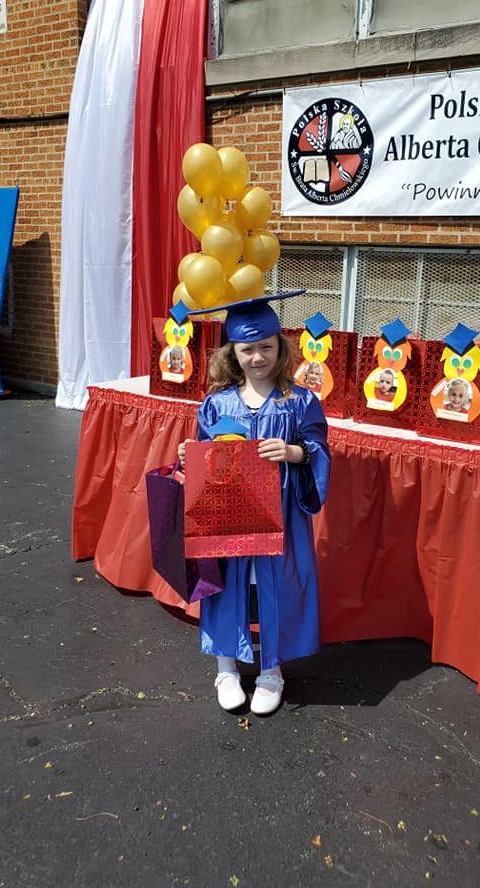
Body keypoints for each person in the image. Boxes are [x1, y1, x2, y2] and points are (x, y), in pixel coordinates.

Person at [177, 298, 330, 716]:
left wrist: (294, 452)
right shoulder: (217, 404)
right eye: (248, 349)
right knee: (224, 585)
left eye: (266, 347)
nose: (258, 357)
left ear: (281, 348)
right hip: (226, 519)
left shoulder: (300, 402)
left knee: (274, 589)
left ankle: (271, 671)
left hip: (280, 515)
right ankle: (225, 668)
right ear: (233, 353)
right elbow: (203, 459)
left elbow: (318, 449)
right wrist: (188, 458)